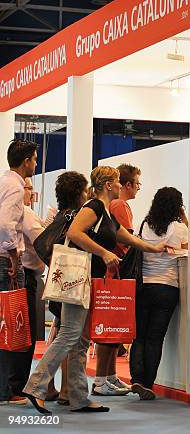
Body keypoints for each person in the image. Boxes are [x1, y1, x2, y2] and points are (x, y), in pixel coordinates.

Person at [23, 166, 164, 414]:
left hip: (89, 282)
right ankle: (35, 387)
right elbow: (75, 233)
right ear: (108, 185)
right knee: (69, 335)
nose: (121, 185)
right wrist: (103, 252)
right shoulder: (94, 208)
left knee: (80, 340)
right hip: (79, 279)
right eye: (118, 182)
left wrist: (156, 248)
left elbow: (128, 239)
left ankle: (78, 398)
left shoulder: (106, 213)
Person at [130, 187, 188, 400]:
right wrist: (183, 217)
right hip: (167, 287)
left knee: (140, 337)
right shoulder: (179, 227)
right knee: (155, 338)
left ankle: (136, 378)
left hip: (144, 285)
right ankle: (148, 383)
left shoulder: (145, 225)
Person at [91, 164, 142, 397]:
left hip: (112, 271)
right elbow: (126, 239)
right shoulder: (117, 205)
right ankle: (102, 379)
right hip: (113, 273)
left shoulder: (109, 207)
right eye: (136, 183)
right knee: (108, 329)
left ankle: (108, 377)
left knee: (112, 329)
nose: (135, 188)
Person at [45, 171, 90, 406]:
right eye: (84, 190)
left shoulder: (59, 217)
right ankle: (62, 389)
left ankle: (52, 387)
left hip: (58, 281)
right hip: (71, 283)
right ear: (77, 193)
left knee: (59, 335)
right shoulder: (76, 217)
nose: (87, 194)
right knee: (68, 337)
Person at [0, 139, 38, 406]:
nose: (35, 164)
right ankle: (7, 389)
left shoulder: (3, 181)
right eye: (35, 159)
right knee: (12, 325)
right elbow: (5, 224)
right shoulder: (14, 186)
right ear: (26, 161)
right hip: (7, 262)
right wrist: (14, 255)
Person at [12, 178, 45, 401]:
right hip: (26, 276)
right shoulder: (25, 212)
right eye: (29, 188)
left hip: (23, 274)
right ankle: (16, 386)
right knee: (25, 335)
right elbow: (43, 241)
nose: (31, 193)